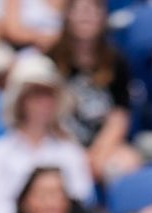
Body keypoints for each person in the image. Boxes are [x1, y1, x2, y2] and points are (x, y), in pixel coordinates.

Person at [0, 54, 94, 213]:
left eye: (48, 95)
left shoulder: (71, 152)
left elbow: (81, 201)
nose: (43, 104)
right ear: (20, 100)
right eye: (35, 95)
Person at [49, 0, 141, 183]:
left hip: (104, 144)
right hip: (59, 142)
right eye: (80, 10)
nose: (86, 16)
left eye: (93, 10)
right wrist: (75, 153)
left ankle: (119, 212)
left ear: (104, 17)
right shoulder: (50, 59)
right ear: (67, 15)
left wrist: (98, 151)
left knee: (126, 163)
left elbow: (120, 113)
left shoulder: (116, 60)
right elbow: (47, 113)